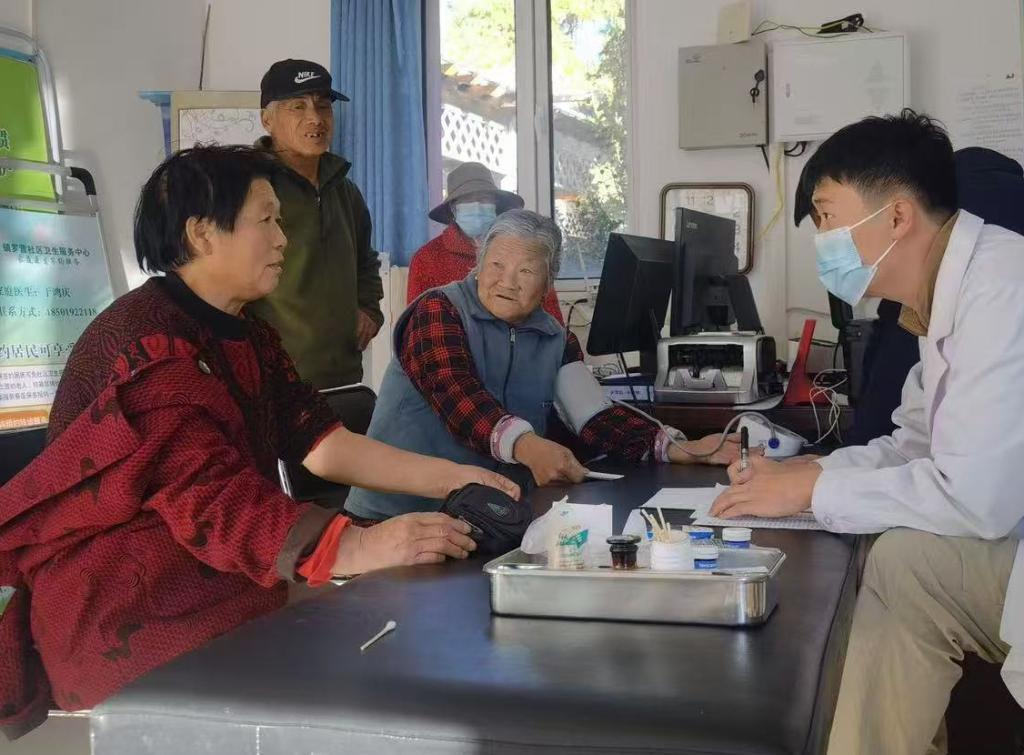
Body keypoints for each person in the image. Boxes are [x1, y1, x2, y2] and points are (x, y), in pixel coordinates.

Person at [0, 146, 518, 739]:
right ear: (201, 233)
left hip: (213, 582)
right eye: (266, 220)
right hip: (127, 613)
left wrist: (452, 479)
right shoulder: (147, 350)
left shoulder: (246, 332)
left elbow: (319, 440)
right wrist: (356, 548)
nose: (282, 239)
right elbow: (216, 506)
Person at [709, 110, 1023, 755]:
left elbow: (975, 498)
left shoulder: (1004, 288)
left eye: (827, 215)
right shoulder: (939, 301)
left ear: (899, 216)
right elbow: (913, 443)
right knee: (893, 562)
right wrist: (812, 475)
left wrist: (811, 496)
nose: (821, 239)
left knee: (905, 563)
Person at [345, 209, 740, 522]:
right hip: (400, 516)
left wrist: (677, 447)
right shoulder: (438, 310)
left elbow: (593, 416)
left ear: (548, 280)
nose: (507, 281)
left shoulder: (554, 336)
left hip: (482, 514)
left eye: (527, 271)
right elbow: (461, 400)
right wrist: (527, 446)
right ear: (479, 264)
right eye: (496, 265)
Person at [247, 58, 383, 389]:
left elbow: (366, 259)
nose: (315, 118)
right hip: (275, 384)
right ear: (267, 119)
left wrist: (369, 308)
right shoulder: (247, 189)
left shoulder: (345, 190)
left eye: (323, 106)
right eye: (298, 106)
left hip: (345, 377)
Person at [408, 162, 564, 323]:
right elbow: (418, 325)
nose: (477, 206)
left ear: (496, 206)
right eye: (467, 200)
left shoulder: (527, 249)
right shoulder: (427, 258)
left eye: (484, 199)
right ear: (453, 209)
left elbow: (552, 320)